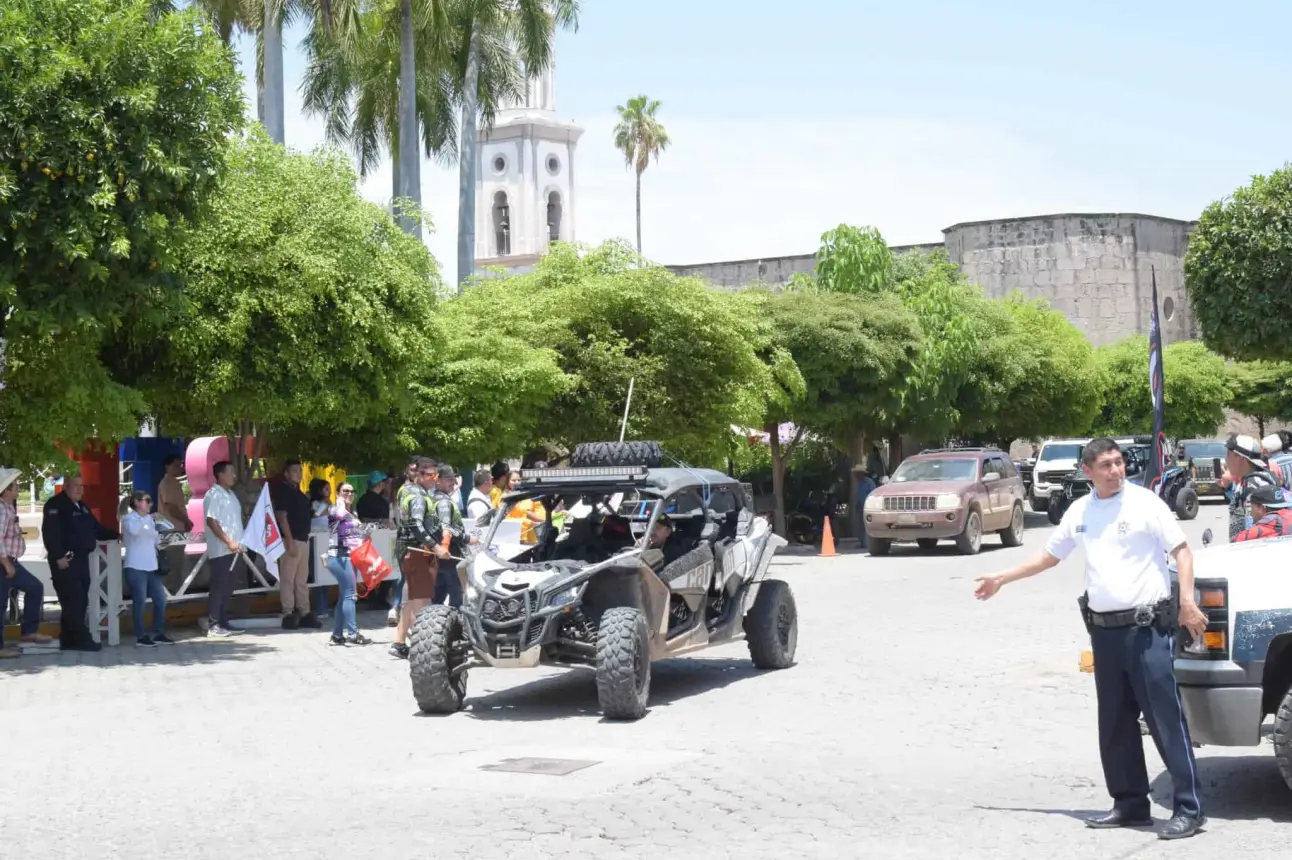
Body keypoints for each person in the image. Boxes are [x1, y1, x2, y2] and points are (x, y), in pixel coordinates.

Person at [973, 437, 1207, 840]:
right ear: (1088, 471)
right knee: (1114, 722)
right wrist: (1001, 578)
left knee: (1164, 719)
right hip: (1104, 632)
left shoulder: (1145, 503)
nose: (1116, 470)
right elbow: (1049, 556)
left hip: (1147, 629)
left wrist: (1187, 601)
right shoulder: (1081, 511)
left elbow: (1182, 552)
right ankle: (1130, 803)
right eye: (1106, 465)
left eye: (1118, 463)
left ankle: (1189, 808)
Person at [42, 474, 118, 652]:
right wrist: (59, 555)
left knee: (79, 600)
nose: (79, 489)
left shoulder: (82, 507)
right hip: (66, 561)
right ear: (65, 486)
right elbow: (50, 533)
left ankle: (68, 639)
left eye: (81, 486)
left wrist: (116, 535)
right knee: (73, 599)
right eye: (75, 486)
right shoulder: (55, 505)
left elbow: (96, 529)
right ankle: (82, 639)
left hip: (82, 560)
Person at [390, 457, 445, 659]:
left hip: (410, 550)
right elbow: (416, 525)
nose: (434, 479)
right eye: (430, 475)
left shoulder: (408, 490)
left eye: (436, 474)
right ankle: (423, 648)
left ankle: (398, 643)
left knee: (412, 598)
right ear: (419, 475)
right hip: (416, 551)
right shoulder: (418, 496)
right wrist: (436, 546)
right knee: (421, 600)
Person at [0, 467, 54, 658]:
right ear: (6, 489)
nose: (18, 487)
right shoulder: (1, 509)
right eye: (15, 485)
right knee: (1, 604)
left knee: (35, 587)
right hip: (5, 563)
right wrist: (5, 562)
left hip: (12, 562)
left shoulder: (7, 507)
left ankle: (29, 632)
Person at [270, 460, 320, 630]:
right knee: (288, 578)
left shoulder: (298, 493)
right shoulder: (283, 491)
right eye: (294, 470)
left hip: (303, 539)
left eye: (300, 470)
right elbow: (281, 516)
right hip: (290, 540)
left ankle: (304, 611)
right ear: (286, 474)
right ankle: (288, 612)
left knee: (301, 579)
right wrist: (289, 541)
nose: (299, 473)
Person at [121, 490, 174, 647]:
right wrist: (148, 518)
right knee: (140, 601)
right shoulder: (129, 519)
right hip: (136, 566)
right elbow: (134, 532)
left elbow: (159, 534)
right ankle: (140, 635)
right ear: (137, 503)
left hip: (152, 566)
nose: (150, 503)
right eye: (147, 500)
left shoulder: (149, 520)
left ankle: (158, 632)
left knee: (161, 600)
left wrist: (160, 540)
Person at [325, 484, 372, 646]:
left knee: (344, 596)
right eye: (345, 491)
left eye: (353, 491)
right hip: (339, 557)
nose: (350, 494)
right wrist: (340, 501)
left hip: (348, 557)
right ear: (338, 493)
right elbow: (339, 514)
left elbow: (357, 536)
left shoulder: (353, 513)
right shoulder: (334, 509)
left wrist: (366, 532)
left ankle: (337, 635)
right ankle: (352, 633)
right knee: (350, 595)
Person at [202, 461, 244, 638]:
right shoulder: (214, 494)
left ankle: (223, 621)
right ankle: (213, 624)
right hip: (222, 550)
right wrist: (228, 541)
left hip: (235, 549)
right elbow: (212, 521)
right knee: (219, 586)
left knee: (228, 587)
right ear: (220, 474)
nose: (233, 476)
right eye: (230, 472)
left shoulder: (231, 494)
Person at [1218, 434, 1276, 542]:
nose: (1226, 460)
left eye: (1228, 455)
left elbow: (1251, 529)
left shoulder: (1251, 486)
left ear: (1240, 458)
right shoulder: (1262, 478)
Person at [430, 464, 470, 608]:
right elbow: (446, 528)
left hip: (438, 555)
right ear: (437, 480)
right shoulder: (444, 502)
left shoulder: (433, 498)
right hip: (450, 555)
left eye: (453, 479)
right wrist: (466, 538)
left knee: (437, 598)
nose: (452, 482)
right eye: (448, 479)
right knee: (456, 598)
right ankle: (455, 627)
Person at [308, 479, 334, 620]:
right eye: (326, 489)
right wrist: (326, 504)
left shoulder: (330, 504)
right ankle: (320, 607)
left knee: (327, 573)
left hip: (328, 542)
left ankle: (326, 604)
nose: (329, 491)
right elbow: (316, 515)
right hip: (316, 542)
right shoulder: (316, 504)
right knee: (318, 574)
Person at [854, 465, 876, 550]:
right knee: (860, 525)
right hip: (860, 506)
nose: (855, 476)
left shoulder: (869, 482)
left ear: (861, 474)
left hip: (867, 507)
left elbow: (872, 493)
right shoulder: (860, 483)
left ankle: (866, 543)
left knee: (866, 525)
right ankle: (862, 543)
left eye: (857, 474)